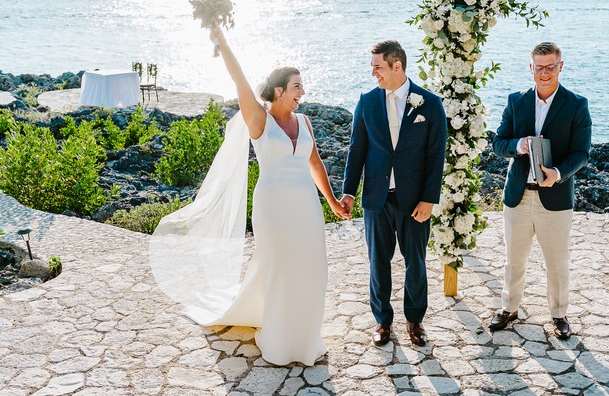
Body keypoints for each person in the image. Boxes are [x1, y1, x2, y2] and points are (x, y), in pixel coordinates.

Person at [149, 25, 348, 366]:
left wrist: (332, 202)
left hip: (306, 207)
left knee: (313, 268)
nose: (303, 91)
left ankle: (304, 339)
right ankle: (279, 339)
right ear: (280, 90)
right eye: (297, 86)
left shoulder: (305, 122)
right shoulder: (259, 120)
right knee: (281, 268)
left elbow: (315, 164)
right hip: (273, 207)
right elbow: (240, 81)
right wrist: (222, 43)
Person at [340, 40, 446, 348]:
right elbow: (356, 149)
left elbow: (435, 154)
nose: (373, 72)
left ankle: (415, 320)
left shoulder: (429, 103)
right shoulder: (367, 102)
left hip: (414, 199)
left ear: (396, 66)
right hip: (376, 197)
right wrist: (348, 191)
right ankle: (382, 321)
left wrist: (429, 198)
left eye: (378, 67)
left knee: (416, 260)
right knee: (378, 260)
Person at [488, 41, 592, 340]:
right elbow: (498, 143)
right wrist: (519, 145)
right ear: (530, 67)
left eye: (550, 67)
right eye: (539, 67)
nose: (544, 73)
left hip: (556, 198)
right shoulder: (516, 101)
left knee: (557, 262)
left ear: (561, 66)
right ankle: (509, 307)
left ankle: (559, 314)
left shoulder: (576, 104)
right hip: (517, 195)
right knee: (513, 258)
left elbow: (581, 153)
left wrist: (557, 174)